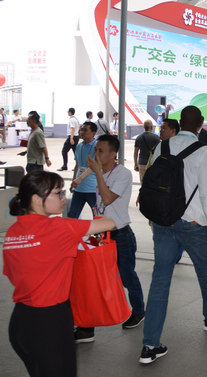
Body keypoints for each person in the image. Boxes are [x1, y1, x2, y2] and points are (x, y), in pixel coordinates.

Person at [3, 171, 115, 377]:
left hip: (21, 322)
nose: (64, 197)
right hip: (50, 323)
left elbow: (12, 274)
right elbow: (109, 224)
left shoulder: (13, 233)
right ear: (37, 199)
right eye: (58, 193)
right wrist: (100, 213)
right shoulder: (60, 228)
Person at [140, 105, 207, 365]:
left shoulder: (162, 146)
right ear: (201, 123)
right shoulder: (203, 151)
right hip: (194, 224)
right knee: (205, 270)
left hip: (163, 222)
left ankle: (150, 345)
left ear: (180, 122)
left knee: (160, 280)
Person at [73, 135, 147, 343]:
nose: (96, 154)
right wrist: (89, 174)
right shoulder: (99, 170)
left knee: (127, 277)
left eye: (101, 150)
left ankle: (139, 311)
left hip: (120, 235)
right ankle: (86, 328)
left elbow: (107, 199)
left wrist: (97, 172)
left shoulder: (122, 174)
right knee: (91, 279)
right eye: (96, 150)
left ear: (113, 154)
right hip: (100, 236)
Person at [67, 122, 98, 219]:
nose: (82, 132)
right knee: (72, 216)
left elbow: (95, 166)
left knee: (98, 216)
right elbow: (77, 165)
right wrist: (74, 180)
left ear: (93, 133)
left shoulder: (97, 147)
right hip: (79, 187)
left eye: (85, 130)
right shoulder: (79, 146)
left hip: (93, 188)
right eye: (81, 130)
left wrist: (79, 179)